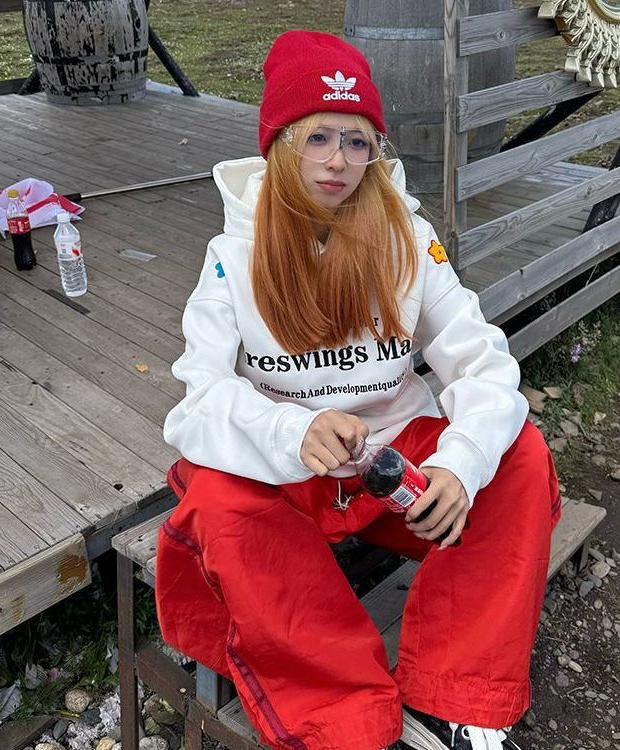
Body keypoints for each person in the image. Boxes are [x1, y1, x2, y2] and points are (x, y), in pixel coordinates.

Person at [156, 29, 561, 750]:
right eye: (316, 137)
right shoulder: (232, 256)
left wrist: (460, 464)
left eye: (356, 140)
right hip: (288, 474)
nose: (338, 161)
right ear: (280, 145)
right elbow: (199, 399)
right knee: (217, 503)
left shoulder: (409, 238)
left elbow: (483, 362)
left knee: (520, 457)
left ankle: (457, 697)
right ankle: (346, 721)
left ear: (375, 149)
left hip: (394, 471)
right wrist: (292, 429)